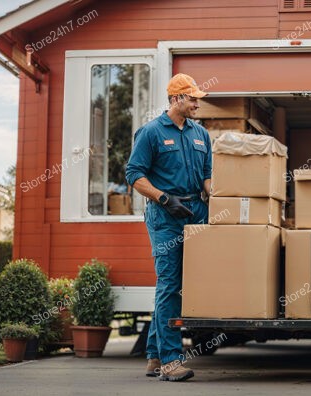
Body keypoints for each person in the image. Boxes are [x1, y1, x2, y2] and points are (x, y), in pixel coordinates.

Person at [125, 73, 212, 382]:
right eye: (192, 99)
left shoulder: (201, 134)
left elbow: (207, 176)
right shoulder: (150, 133)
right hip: (166, 216)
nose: (197, 103)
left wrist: (223, 199)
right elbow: (134, 174)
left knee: (185, 285)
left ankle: (153, 355)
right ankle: (171, 362)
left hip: (196, 212)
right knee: (169, 283)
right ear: (176, 99)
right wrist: (164, 198)